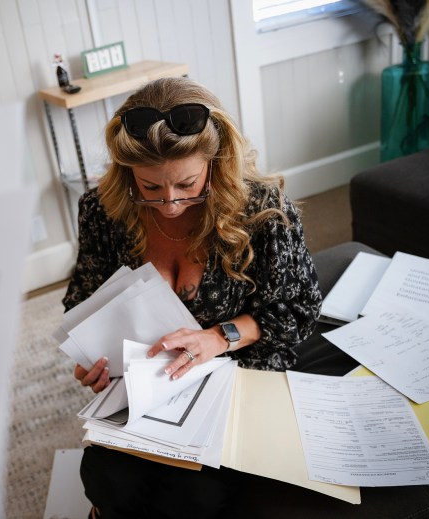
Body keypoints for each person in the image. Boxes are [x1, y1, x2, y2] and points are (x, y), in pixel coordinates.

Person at [62, 77, 322, 518]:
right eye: (150, 187)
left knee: (192, 497)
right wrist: (92, 358)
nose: (169, 204)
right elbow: (84, 298)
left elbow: (300, 310)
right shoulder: (101, 210)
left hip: (236, 371)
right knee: (105, 479)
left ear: (216, 160)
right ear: (128, 173)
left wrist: (220, 337)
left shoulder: (263, 211)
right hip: (144, 382)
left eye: (186, 184)